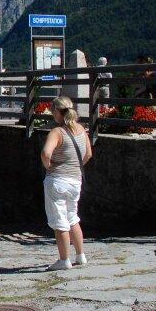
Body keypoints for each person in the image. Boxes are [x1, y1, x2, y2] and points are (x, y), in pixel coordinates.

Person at [41, 96, 93, 271]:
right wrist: (75, 167)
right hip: (75, 180)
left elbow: (45, 153)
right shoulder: (81, 129)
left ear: (57, 111)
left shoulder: (57, 132)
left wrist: (50, 167)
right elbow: (88, 155)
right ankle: (81, 255)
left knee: (59, 220)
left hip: (57, 180)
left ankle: (64, 260)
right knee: (73, 217)